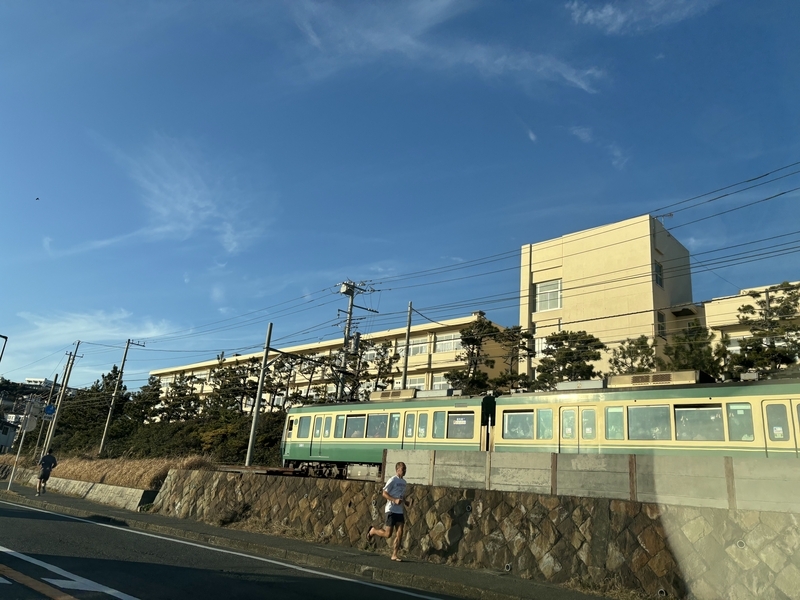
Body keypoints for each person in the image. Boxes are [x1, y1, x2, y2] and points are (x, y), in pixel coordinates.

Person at [367, 461, 407, 561]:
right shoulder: (392, 480)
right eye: (403, 469)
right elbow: (384, 493)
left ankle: (394, 554)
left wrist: (405, 502)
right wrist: (394, 500)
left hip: (399, 511)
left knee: (400, 532)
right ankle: (373, 531)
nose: (404, 471)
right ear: (398, 469)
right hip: (391, 510)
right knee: (388, 534)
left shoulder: (404, 482)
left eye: (405, 469)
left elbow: (401, 495)